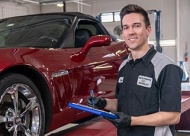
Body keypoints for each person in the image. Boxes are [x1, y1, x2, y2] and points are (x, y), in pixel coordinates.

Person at [87, 4, 183, 136]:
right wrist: (104, 103)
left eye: (136, 26)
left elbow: (172, 116)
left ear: (148, 30)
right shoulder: (124, 66)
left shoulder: (166, 67)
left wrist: (131, 121)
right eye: (126, 27)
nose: (130, 32)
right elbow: (122, 103)